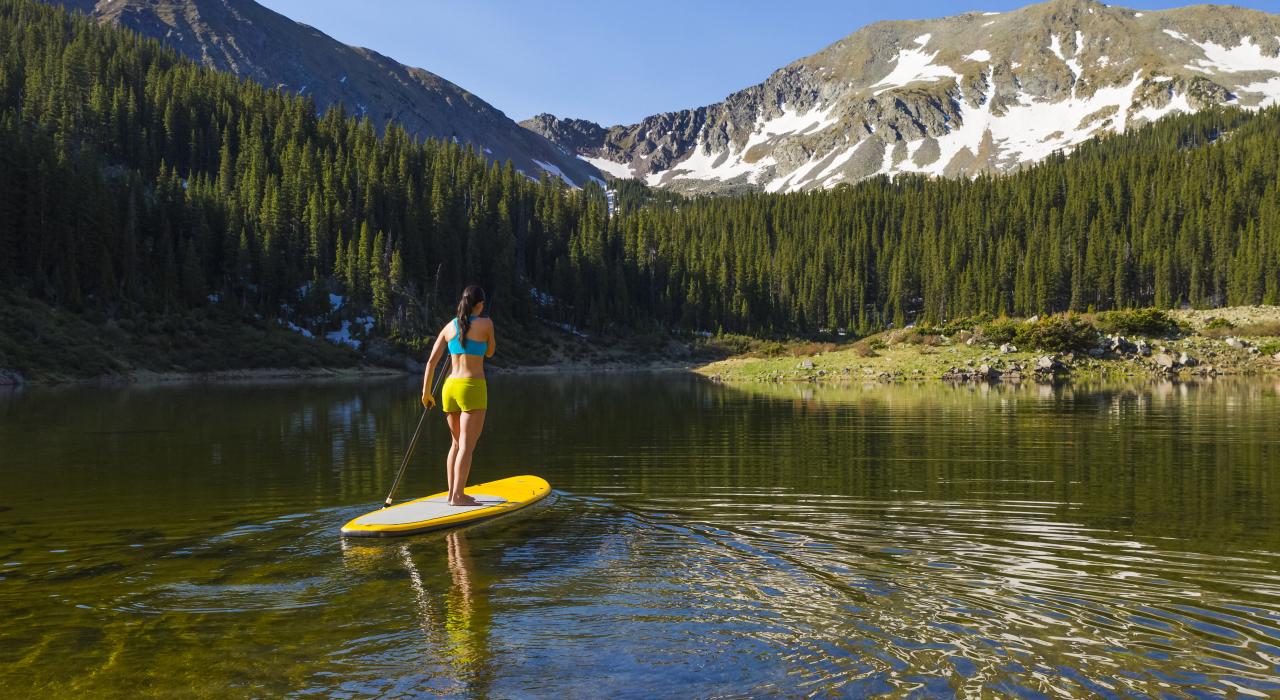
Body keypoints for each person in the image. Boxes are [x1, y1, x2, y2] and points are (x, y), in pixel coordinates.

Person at [422, 286, 496, 506]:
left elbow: (431, 362)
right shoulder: (486, 324)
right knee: (466, 445)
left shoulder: (449, 327)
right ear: (480, 304)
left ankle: (451, 494)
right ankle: (458, 496)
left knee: (455, 444)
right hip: (472, 386)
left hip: (449, 388)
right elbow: (490, 352)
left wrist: (426, 393)